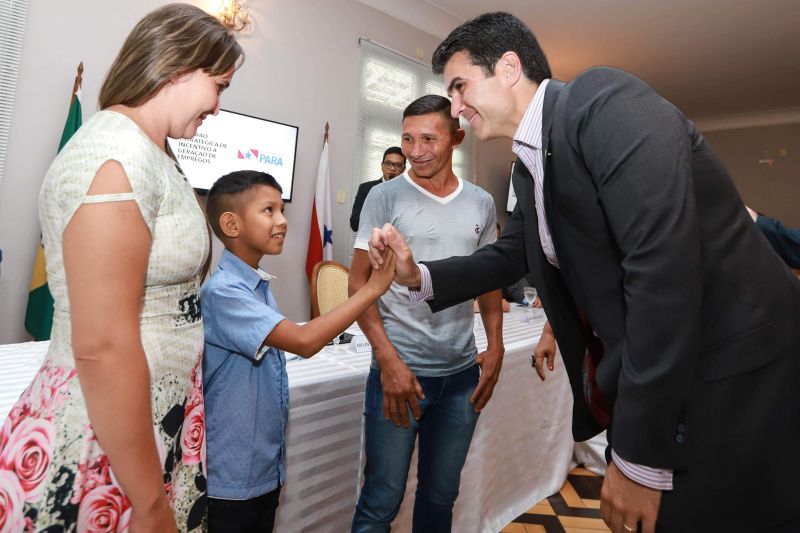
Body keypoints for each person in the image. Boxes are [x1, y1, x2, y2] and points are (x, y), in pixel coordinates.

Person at [367, 12, 800, 533]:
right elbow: (509, 256)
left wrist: (639, 458)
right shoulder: (531, 165)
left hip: (729, 379)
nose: (455, 108)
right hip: (674, 381)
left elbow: (662, 272)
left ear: (508, 68)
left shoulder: (603, 100)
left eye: (460, 86)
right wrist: (419, 277)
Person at [0, 4, 242, 531]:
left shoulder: (150, 152)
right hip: (102, 436)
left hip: (147, 424)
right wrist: (150, 504)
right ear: (177, 66)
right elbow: (103, 345)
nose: (219, 107)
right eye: (219, 85)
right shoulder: (116, 156)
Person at [199, 170, 395, 532]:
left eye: (282, 209)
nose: (283, 221)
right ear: (231, 223)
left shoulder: (254, 283)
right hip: (233, 473)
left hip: (261, 467)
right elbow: (304, 342)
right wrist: (371, 289)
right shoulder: (224, 292)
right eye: (269, 210)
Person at [349, 94, 504, 532]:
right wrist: (388, 361)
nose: (415, 152)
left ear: (456, 137)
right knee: (382, 500)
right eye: (407, 139)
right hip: (401, 375)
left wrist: (495, 343)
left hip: (460, 378)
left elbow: (488, 278)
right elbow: (358, 284)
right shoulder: (383, 197)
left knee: (440, 497)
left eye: (429, 139)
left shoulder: (481, 203)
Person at [349, 147, 406, 231]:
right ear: (382, 165)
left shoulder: (407, 193)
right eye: (388, 163)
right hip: (370, 241)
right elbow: (354, 224)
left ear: (403, 169)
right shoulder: (366, 188)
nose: (392, 168)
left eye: (398, 165)